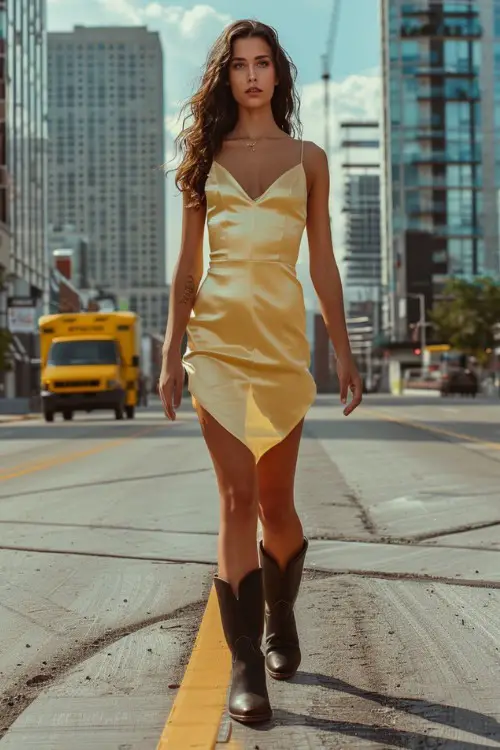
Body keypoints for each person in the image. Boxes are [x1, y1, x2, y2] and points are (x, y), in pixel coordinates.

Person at [159, 19, 363, 724]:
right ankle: (246, 665)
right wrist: (169, 351)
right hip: (215, 343)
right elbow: (187, 267)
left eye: (263, 63)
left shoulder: (308, 158)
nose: (251, 75)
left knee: (276, 506)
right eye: (240, 64)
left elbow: (323, 263)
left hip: (280, 345)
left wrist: (341, 347)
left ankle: (280, 616)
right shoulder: (202, 156)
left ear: (278, 74)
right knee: (236, 501)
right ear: (228, 76)